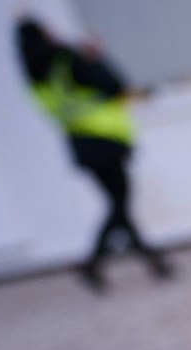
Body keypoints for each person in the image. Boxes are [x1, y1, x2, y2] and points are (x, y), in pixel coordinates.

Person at [15, 16, 171, 292]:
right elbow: (114, 86)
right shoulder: (68, 59)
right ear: (44, 34)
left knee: (117, 203)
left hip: (79, 143)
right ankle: (94, 262)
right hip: (105, 136)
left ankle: (151, 259)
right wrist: (96, 57)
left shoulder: (34, 78)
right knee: (118, 204)